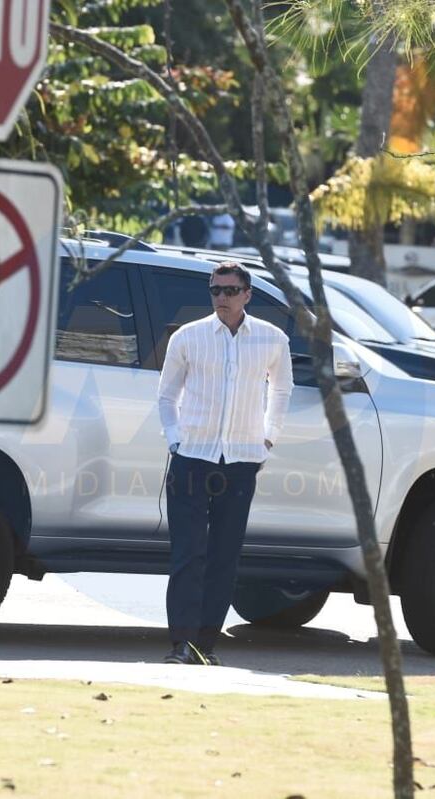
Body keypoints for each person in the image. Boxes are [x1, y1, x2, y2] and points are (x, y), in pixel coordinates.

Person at [156, 262, 294, 665]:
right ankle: (180, 643)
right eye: (215, 290)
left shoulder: (272, 339)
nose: (221, 298)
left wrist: (268, 437)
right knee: (188, 553)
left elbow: (282, 389)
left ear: (248, 294)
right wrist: (175, 440)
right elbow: (167, 397)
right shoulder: (189, 336)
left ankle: (205, 645)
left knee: (224, 555)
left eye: (230, 291)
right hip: (192, 459)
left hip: (240, 461)